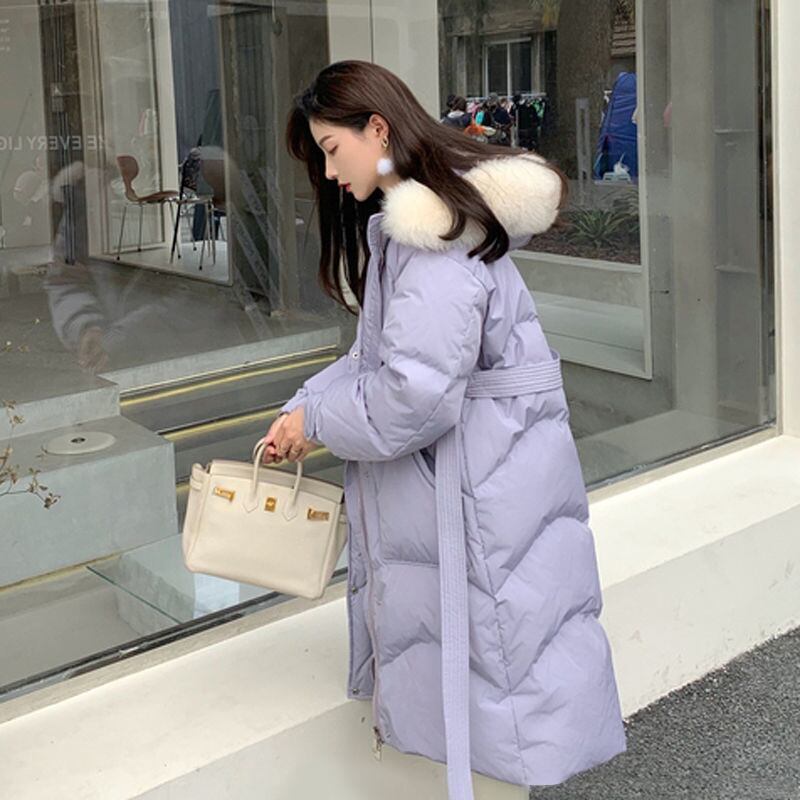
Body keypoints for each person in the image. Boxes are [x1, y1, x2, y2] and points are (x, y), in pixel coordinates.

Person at [260, 59, 627, 799]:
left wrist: (317, 418)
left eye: (332, 149)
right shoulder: (431, 227)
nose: (329, 173)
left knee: (494, 693)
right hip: (493, 485)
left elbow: (412, 396)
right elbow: (385, 361)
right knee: (499, 685)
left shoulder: (431, 239)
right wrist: (305, 406)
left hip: (478, 499)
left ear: (377, 129)